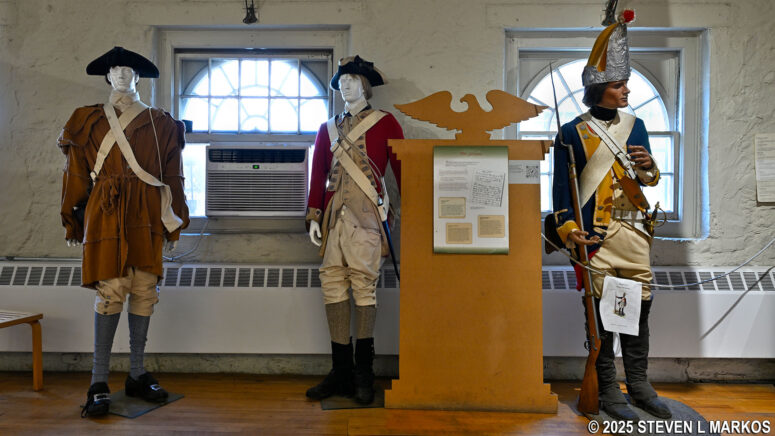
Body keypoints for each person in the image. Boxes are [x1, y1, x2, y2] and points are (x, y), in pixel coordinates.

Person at [551, 11, 672, 421]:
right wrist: (569, 229)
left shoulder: (636, 126)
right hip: (597, 234)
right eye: (619, 84)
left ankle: (638, 384)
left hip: (635, 230)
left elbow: (649, 179)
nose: (627, 90)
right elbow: (561, 191)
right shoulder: (571, 131)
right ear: (601, 88)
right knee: (601, 314)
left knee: (638, 306)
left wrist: (647, 166)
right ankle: (608, 389)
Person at [58, 46, 190, 417]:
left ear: (137, 76)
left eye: (127, 69)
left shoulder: (160, 122)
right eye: (114, 69)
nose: (120, 74)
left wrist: (176, 217)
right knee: (112, 288)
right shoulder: (86, 120)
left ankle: (136, 372)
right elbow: (76, 173)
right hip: (106, 209)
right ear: (106, 75)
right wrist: (72, 218)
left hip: (147, 209)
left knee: (145, 288)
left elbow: (172, 175)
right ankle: (98, 381)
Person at [305, 55, 403, 405]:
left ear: (365, 85)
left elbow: (401, 168)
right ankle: (340, 372)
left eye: (351, 79)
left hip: (367, 219)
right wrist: (314, 215)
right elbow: (318, 173)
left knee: (364, 288)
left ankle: (364, 374)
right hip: (333, 219)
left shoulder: (386, 123)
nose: (345, 84)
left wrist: (414, 214)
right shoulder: (327, 128)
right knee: (332, 284)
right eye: (341, 80)